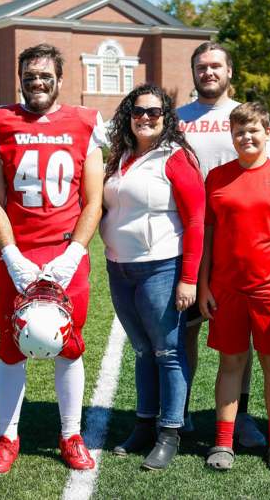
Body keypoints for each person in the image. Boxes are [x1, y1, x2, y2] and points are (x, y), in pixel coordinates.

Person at [0, 43, 105, 475]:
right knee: (11, 349)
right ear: (20, 78)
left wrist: (74, 253)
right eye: (30, 75)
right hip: (17, 252)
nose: (37, 82)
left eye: (45, 75)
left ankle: (70, 434)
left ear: (59, 78)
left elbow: (93, 200)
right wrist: (11, 254)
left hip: (66, 254)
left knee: (68, 348)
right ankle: (8, 436)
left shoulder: (86, 123)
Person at [176, 41, 270, 446]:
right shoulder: (177, 118)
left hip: (240, 240)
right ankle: (179, 412)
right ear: (193, 72)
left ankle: (240, 416)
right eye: (201, 66)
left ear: (230, 72)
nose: (209, 72)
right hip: (186, 237)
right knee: (184, 331)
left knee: (244, 335)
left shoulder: (246, 117)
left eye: (216, 66)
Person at [200, 102, 270, 471]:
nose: (246, 137)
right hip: (227, 290)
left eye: (253, 130)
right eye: (239, 132)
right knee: (230, 362)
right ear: (232, 137)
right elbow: (208, 238)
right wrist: (203, 285)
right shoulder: (216, 178)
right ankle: (222, 441)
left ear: (267, 132)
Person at [101, 84, 205, 470]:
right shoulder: (120, 156)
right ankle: (144, 423)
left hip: (162, 267)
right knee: (143, 351)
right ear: (129, 114)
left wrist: (189, 278)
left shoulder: (176, 157)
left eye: (155, 112)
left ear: (167, 118)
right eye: (139, 111)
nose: (146, 118)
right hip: (119, 267)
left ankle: (170, 431)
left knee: (168, 352)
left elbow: (196, 219)